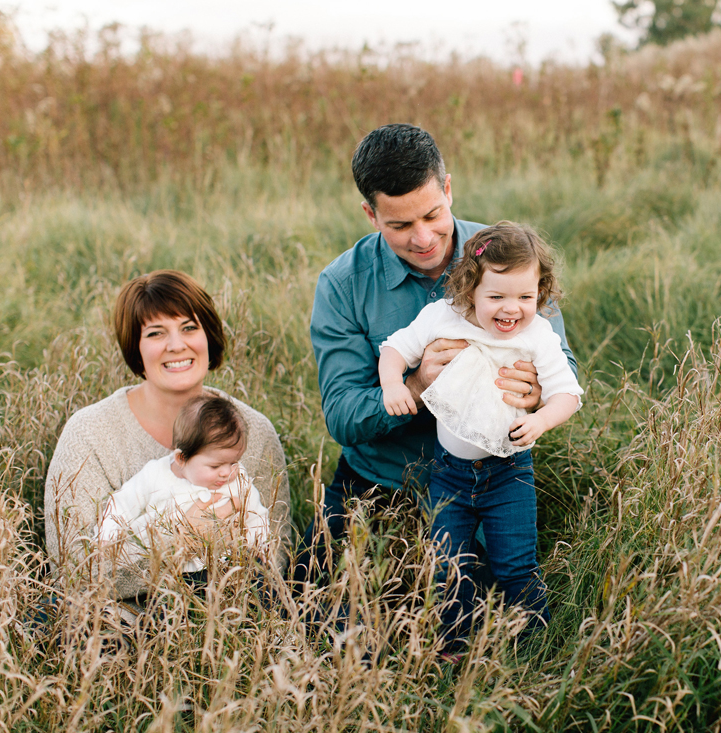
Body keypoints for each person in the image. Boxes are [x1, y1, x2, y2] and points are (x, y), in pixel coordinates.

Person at [299, 123, 577, 587]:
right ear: (371, 215)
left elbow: (562, 367)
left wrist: (533, 394)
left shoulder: (509, 257)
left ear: (447, 190)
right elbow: (342, 416)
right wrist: (415, 386)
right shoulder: (343, 283)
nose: (424, 238)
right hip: (378, 478)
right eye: (400, 225)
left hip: (488, 475)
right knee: (310, 599)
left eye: (432, 215)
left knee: (494, 598)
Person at [379, 222, 583, 649]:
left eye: (526, 297)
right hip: (449, 474)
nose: (512, 310)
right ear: (471, 289)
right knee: (447, 566)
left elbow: (568, 394)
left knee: (515, 566)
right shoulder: (444, 317)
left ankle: (534, 646)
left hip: (508, 472)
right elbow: (395, 349)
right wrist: (395, 384)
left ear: (540, 292)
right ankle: (454, 645)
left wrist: (541, 420)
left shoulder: (537, 334)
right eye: (497, 297)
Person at [44, 270, 291, 602]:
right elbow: (73, 571)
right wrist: (176, 540)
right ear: (136, 348)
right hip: (122, 623)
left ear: (209, 337)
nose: (177, 345)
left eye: (189, 328)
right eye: (156, 333)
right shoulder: (90, 433)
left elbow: (276, 557)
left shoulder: (253, 429)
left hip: (229, 615)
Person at [95, 393, 270, 576]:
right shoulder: (155, 475)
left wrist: (259, 545)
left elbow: (257, 515)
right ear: (181, 458)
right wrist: (107, 537)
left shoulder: (238, 480)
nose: (227, 472)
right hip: (169, 575)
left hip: (226, 570)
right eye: (215, 465)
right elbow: (121, 504)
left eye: (233, 462)